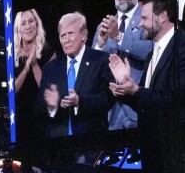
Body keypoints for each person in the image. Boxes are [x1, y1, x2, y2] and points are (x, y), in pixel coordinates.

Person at [108, 0, 185, 124]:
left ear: (163, 17)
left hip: (178, 138)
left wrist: (136, 90)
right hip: (153, 137)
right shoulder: (153, 53)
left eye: (145, 18)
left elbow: (176, 100)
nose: (140, 24)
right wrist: (125, 91)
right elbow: (146, 103)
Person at [40, 12, 113, 137]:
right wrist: (53, 106)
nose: (66, 40)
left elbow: (109, 98)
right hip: (58, 144)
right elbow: (39, 107)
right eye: (62, 35)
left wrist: (80, 101)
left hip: (92, 139)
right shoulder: (50, 68)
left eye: (71, 34)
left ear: (83, 36)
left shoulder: (101, 60)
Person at [93, 0, 153, 130]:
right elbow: (93, 71)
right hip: (111, 113)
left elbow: (150, 53)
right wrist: (99, 46)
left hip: (139, 108)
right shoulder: (102, 27)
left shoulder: (148, 19)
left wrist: (118, 37)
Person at [11, 9, 48, 139]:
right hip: (20, 118)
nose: (28, 26)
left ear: (37, 24)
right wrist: (26, 68)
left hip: (44, 117)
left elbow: (47, 89)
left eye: (31, 21)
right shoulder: (12, 56)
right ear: (18, 29)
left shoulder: (48, 52)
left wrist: (34, 64)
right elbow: (12, 90)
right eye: (23, 23)